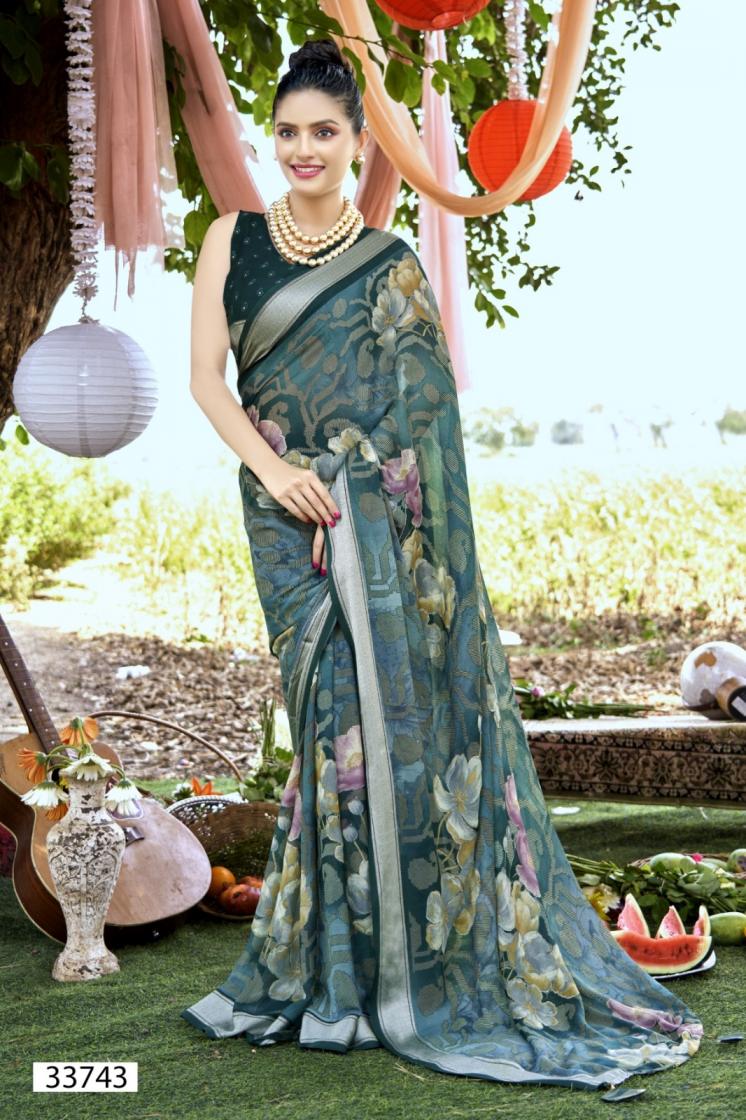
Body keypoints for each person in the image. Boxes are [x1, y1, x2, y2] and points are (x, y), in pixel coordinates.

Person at [181, 37, 703, 1091]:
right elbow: (205, 380)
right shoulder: (231, 239)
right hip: (280, 513)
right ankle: (328, 964)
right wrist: (281, 477)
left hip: (359, 517)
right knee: (322, 720)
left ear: (356, 139)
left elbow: (423, 415)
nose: (303, 150)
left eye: (324, 132)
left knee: (360, 729)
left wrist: (354, 496)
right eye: (286, 132)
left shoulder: (388, 263)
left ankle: (382, 966)